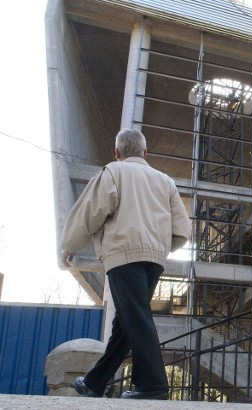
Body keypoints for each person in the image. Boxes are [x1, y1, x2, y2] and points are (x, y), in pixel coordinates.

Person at [59, 128, 190, 400]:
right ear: (145, 152)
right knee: (127, 321)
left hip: (122, 254)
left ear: (117, 153)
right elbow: (182, 229)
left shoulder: (112, 173)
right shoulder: (165, 181)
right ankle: (95, 382)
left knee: (136, 317)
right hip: (154, 259)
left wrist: (69, 246)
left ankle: (153, 385)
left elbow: (89, 213)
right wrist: (161, 248)